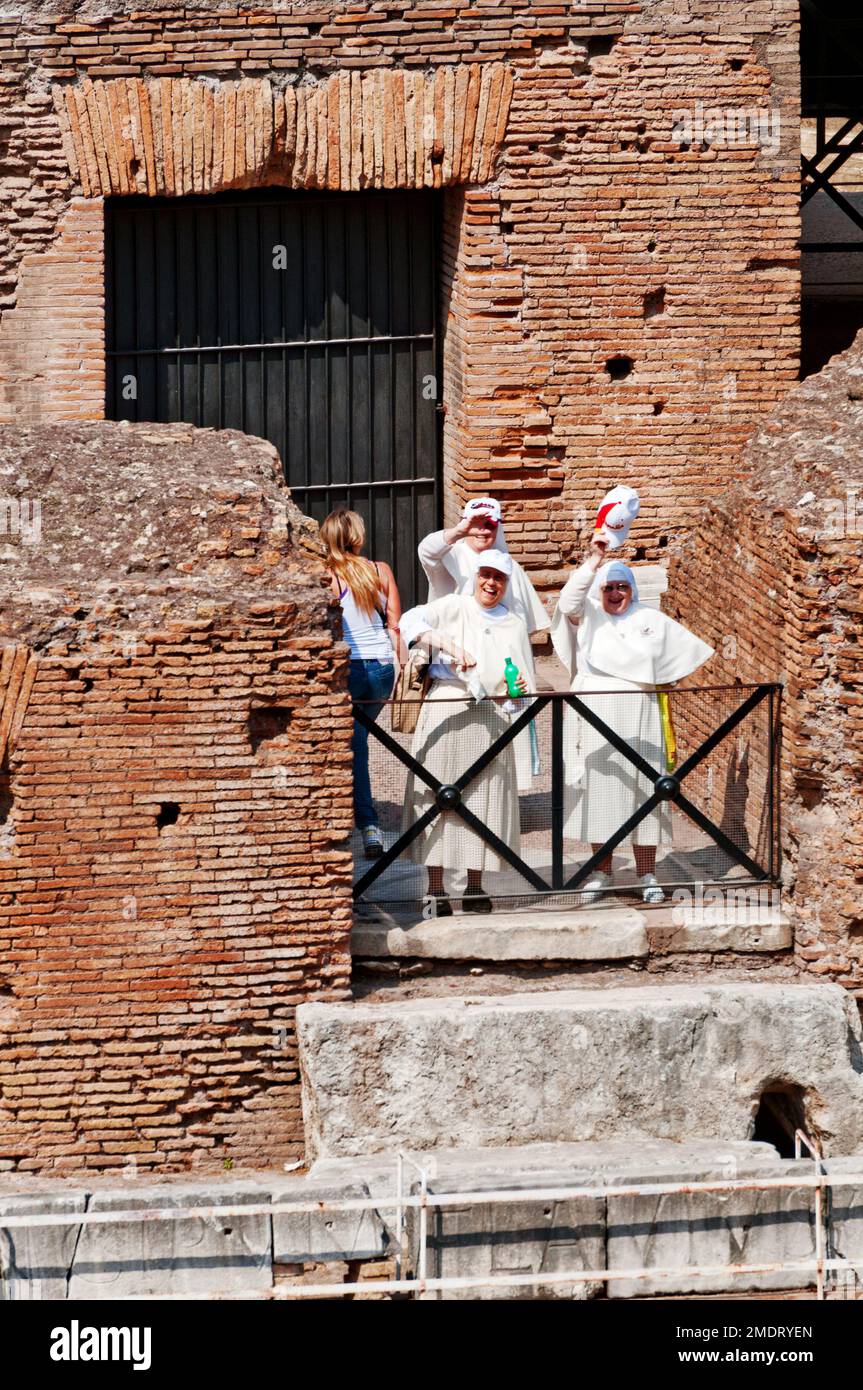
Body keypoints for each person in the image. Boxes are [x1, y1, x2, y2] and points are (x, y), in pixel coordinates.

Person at [551, 537, 714, 904]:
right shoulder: (589, 615)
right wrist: (594, 561)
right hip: (596, 713)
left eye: (622, 586)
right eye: (608, 587)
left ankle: (646, 874)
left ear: (632, 590)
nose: (614, 593)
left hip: (641, 716)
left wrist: (668, 684)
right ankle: (601, 872)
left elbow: (682, 663)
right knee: (601, 794)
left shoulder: (650, 620)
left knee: (646, 794)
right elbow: (567, 603)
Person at [400, 550, 531, 916]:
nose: (491, 583)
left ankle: (475, 885)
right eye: (485, 575)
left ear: (507, 584)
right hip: (447, 707)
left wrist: (515, 689)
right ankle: (437, 889)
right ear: (476, 576)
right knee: (436, 797)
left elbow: (521, 689)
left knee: (482, 802)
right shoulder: (452, 607)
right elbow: (409, 623)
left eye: (499, 578)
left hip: (490, 715)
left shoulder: (514, 624)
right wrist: (449, 646)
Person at [418, 496, 549, 788]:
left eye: (489, 526)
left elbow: (520, 625)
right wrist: (463, 528)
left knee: (499, 748)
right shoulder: (450, 555)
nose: (482, 532)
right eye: (476, 525)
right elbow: (426, 550)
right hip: (457, 669)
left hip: (498, 673)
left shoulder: (507, 566)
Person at [320, 509, 402, 860]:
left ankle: (368, 826)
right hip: (383, 670)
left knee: (357, 748)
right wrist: (403, 670)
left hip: (351, 669)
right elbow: (394, 624)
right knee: (359, 742)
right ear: (356, 537)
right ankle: (361, 820)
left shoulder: (327, 577)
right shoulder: (379, 570)